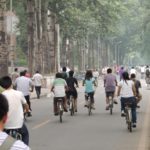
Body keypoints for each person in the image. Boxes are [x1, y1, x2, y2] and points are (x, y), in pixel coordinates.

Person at [0, 76, 30, 145]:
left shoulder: (2, 96)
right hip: (19, 125)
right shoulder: (19, 93)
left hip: (5, 125)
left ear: (2, 86)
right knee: (25, 135)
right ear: (11, 84)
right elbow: (26, 105)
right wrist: (27, 110)